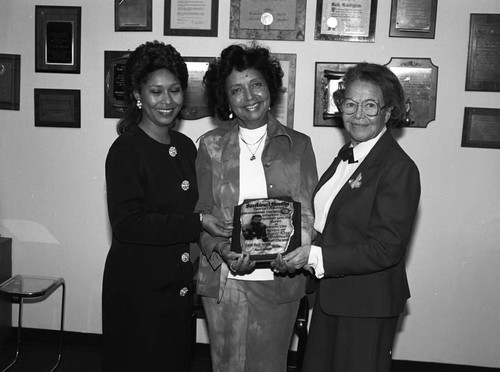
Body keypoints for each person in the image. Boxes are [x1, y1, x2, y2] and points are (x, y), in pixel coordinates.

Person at [274, 62, 421, 372]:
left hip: (367, 304)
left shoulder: (398, 168)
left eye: (370, 105)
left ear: (388, 111)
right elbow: (329, 222)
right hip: (334, 296)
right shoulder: (348, 155)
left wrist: (314, 256)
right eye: (350, 104)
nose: (358, 115)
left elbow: (386, 248)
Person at [102, 40, 230, 371]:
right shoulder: (126, 150)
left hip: (178, 286)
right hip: (138, 288)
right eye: (156, 91)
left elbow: (203, 202)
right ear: (137, 95)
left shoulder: (186, 146)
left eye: (174, 90)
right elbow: (128, 224)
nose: (167, 100)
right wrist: (197, 222)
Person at [195, 43, 318, 372]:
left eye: (256, 84)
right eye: (236, 89)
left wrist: (295, 254)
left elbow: (306, 215)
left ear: (270, 88)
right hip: (225, 281)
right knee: (226, 367)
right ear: (227, 99)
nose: (248, 96)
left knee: (269, 367)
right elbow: (199, 216)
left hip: (280, 281)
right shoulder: (210, 147)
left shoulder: (299, 145)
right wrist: (224, 249)